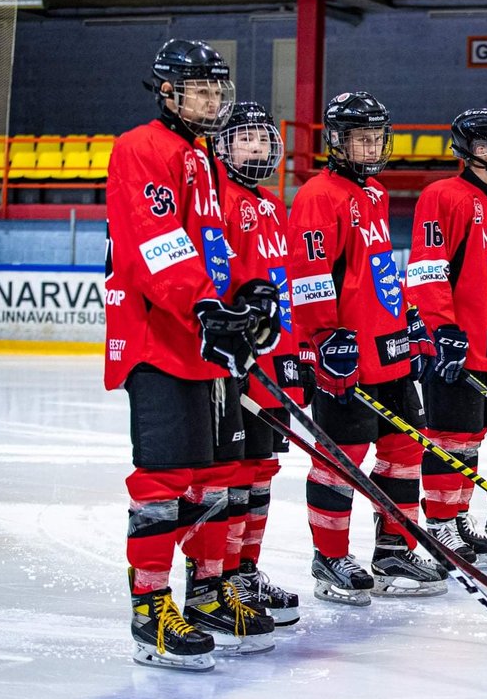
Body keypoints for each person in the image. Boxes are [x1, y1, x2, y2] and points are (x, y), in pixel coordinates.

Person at [108, 38, 275, 671]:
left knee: (215, 477)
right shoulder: (142, 148)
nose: (211, 99)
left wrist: (245, 294)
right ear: (169, 92)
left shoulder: (201, 157)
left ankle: (206, 593)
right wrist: (207, 308)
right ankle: (149, 610)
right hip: (160, 339)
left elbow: (212, 244)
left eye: (216, 90)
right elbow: (157, 243)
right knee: (164, 481)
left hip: (205, 341)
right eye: (199, 89)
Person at [285, 91, 445, 605]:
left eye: (376, 136)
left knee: (404, 449)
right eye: (360, 138)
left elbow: (373, 271)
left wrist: (407, 315)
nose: (371, 146)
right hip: (347, 357)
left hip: (390, 350)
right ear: (336, 141)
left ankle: (393, 548)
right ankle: (329, 557)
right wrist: (325, 336)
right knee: (341, 458)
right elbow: (310, 274)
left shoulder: (374, 192)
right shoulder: (318, 194)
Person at [406, 108, 487, 568]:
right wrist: (443, 329)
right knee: (448, 436)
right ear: (478, 151)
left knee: (472, 437)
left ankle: (456, 516)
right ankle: (437, 524)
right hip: (457, 342)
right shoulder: (442, 196)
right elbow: (427, 269)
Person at [211, 101, 301, 627]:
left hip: (272, 358)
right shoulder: (215, 197)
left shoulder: (272, 204)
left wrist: (296, 353)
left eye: (262, 139)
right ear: (223, 145)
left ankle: (246, 569)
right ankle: (220, 576)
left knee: (263, 470)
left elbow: (282, 284)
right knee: (232, 471)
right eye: (244, 138)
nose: (256, 147)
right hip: (234, 359)